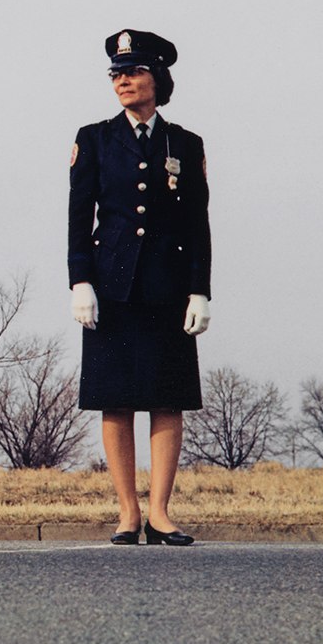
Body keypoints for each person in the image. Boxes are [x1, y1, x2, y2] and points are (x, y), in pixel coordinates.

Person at [68, 29, 211, 546]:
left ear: (157, 79)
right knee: (117, 400)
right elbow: (79, 217)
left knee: (167, 399)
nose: (123, 81)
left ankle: (161, 513)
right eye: (116, 74)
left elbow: (198, 223)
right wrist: (80, 281)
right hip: (113, 287)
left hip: (168, 288)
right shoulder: (95, 139)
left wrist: (200, 289)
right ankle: (128, 513)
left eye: (133, 72)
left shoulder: (185, 143)